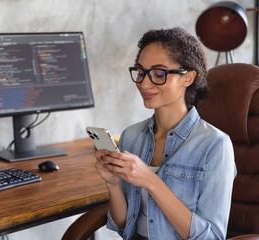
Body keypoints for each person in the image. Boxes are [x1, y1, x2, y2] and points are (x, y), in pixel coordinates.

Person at [95, 27, 236, 240]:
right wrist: (113, 183)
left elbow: (212, 238)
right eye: (141, 72)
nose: (144, 83)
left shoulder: (215, 145)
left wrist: (151, 181)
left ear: (188, 78)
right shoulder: (131, 136)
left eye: (159, 74)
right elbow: (124, 227)